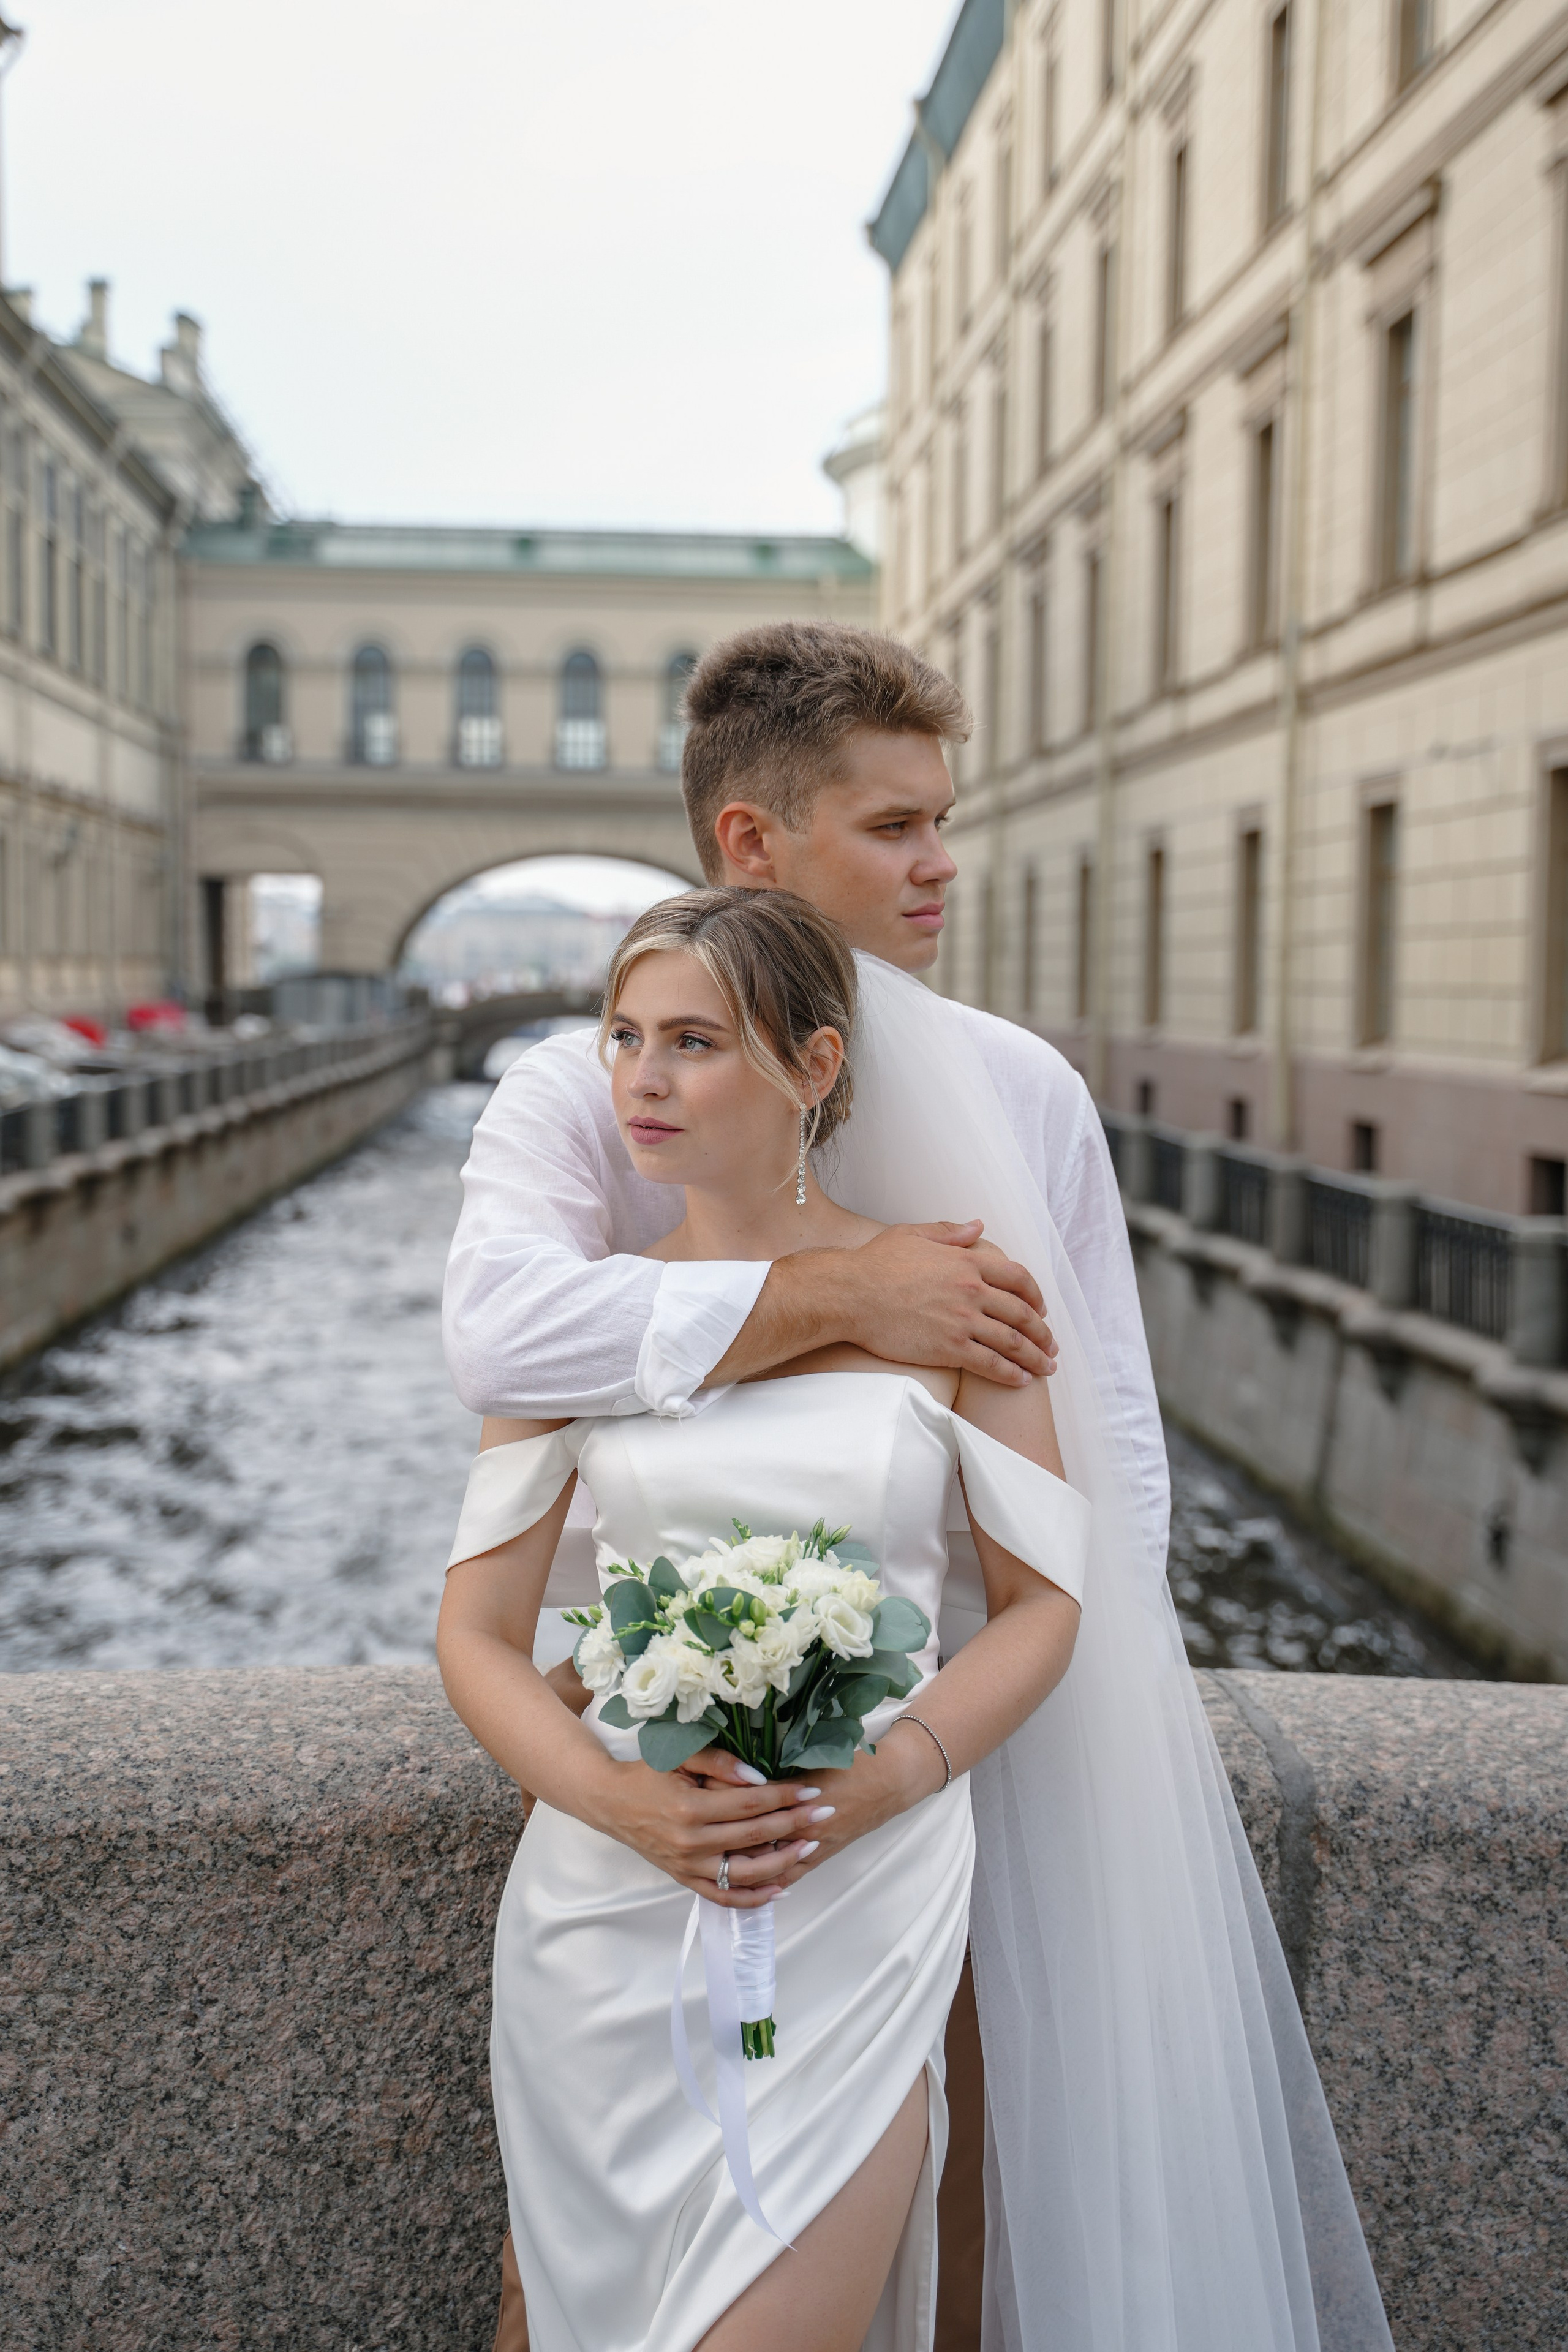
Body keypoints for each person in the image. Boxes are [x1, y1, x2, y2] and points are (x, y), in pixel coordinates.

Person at [438, 888, 1088, 2351]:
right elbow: (474, 1636)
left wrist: (888, 1780)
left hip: (860, 1892)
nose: (640, 1081)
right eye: (621, 1038)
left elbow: (1045, 1606)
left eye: (691, 1042)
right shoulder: (582, 1325)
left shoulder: (955, 1303)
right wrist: (624, 1803)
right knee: (547, 2317)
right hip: (606, 1904)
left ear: (811, 1063)